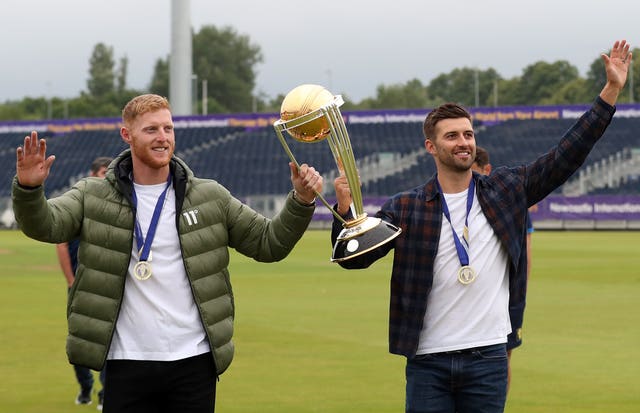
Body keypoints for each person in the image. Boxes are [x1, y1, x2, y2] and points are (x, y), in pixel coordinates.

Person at [331, 40, 630, 413]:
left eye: (468, 135)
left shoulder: (505, 190)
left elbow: (566, 155)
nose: (463, 143)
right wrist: (345, 209)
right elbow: (353, 260)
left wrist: (611, 91)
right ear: (431, 146)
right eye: (452, 136)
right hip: (428, 361)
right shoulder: (406, 207)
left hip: (488, 357)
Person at [12, 94, 323, 413]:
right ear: (127, 135)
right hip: (125, 361)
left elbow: (268, 243)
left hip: (193, 362)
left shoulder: (209, 197)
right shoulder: (92, 195)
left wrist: (300, 201)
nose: (162, 137)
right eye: (150, 130)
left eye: (168, 128)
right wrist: (29, 190)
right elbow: (46, 226)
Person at [471, 146, 534, 392]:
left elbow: (526, 251)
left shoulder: (511, 201)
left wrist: (520, 294)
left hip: (508, 295)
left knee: (503, 357)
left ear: (486, 169)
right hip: (475, 292)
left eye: (475, 172)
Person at [55, 156, 112, 409]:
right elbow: (61, 243)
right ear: (92, 174)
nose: (106, 177)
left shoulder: (117, 206)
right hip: (80, 287)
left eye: (109, 173)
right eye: (102, 172)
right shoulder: (79, 202)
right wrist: (70, 281)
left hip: (109, 288)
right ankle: (86, 386)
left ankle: (104, 394)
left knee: (112, 344)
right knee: (79, 345)